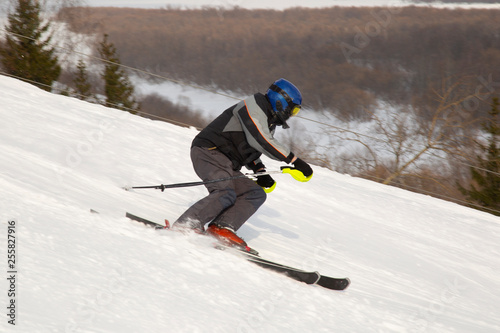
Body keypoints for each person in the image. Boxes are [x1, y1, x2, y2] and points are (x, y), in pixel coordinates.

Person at [172, 78, 313, 252]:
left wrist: (260, 170)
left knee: (254, 193)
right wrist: (294, 161)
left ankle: (221, 228)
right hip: (208, 151)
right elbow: (262, 140)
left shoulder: (268, 119)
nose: (291, 114)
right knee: (224, 192)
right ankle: (187, 224)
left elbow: (249, 148)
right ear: (281, 101)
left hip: (226, 162)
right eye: (293, 109)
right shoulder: (253, 106)